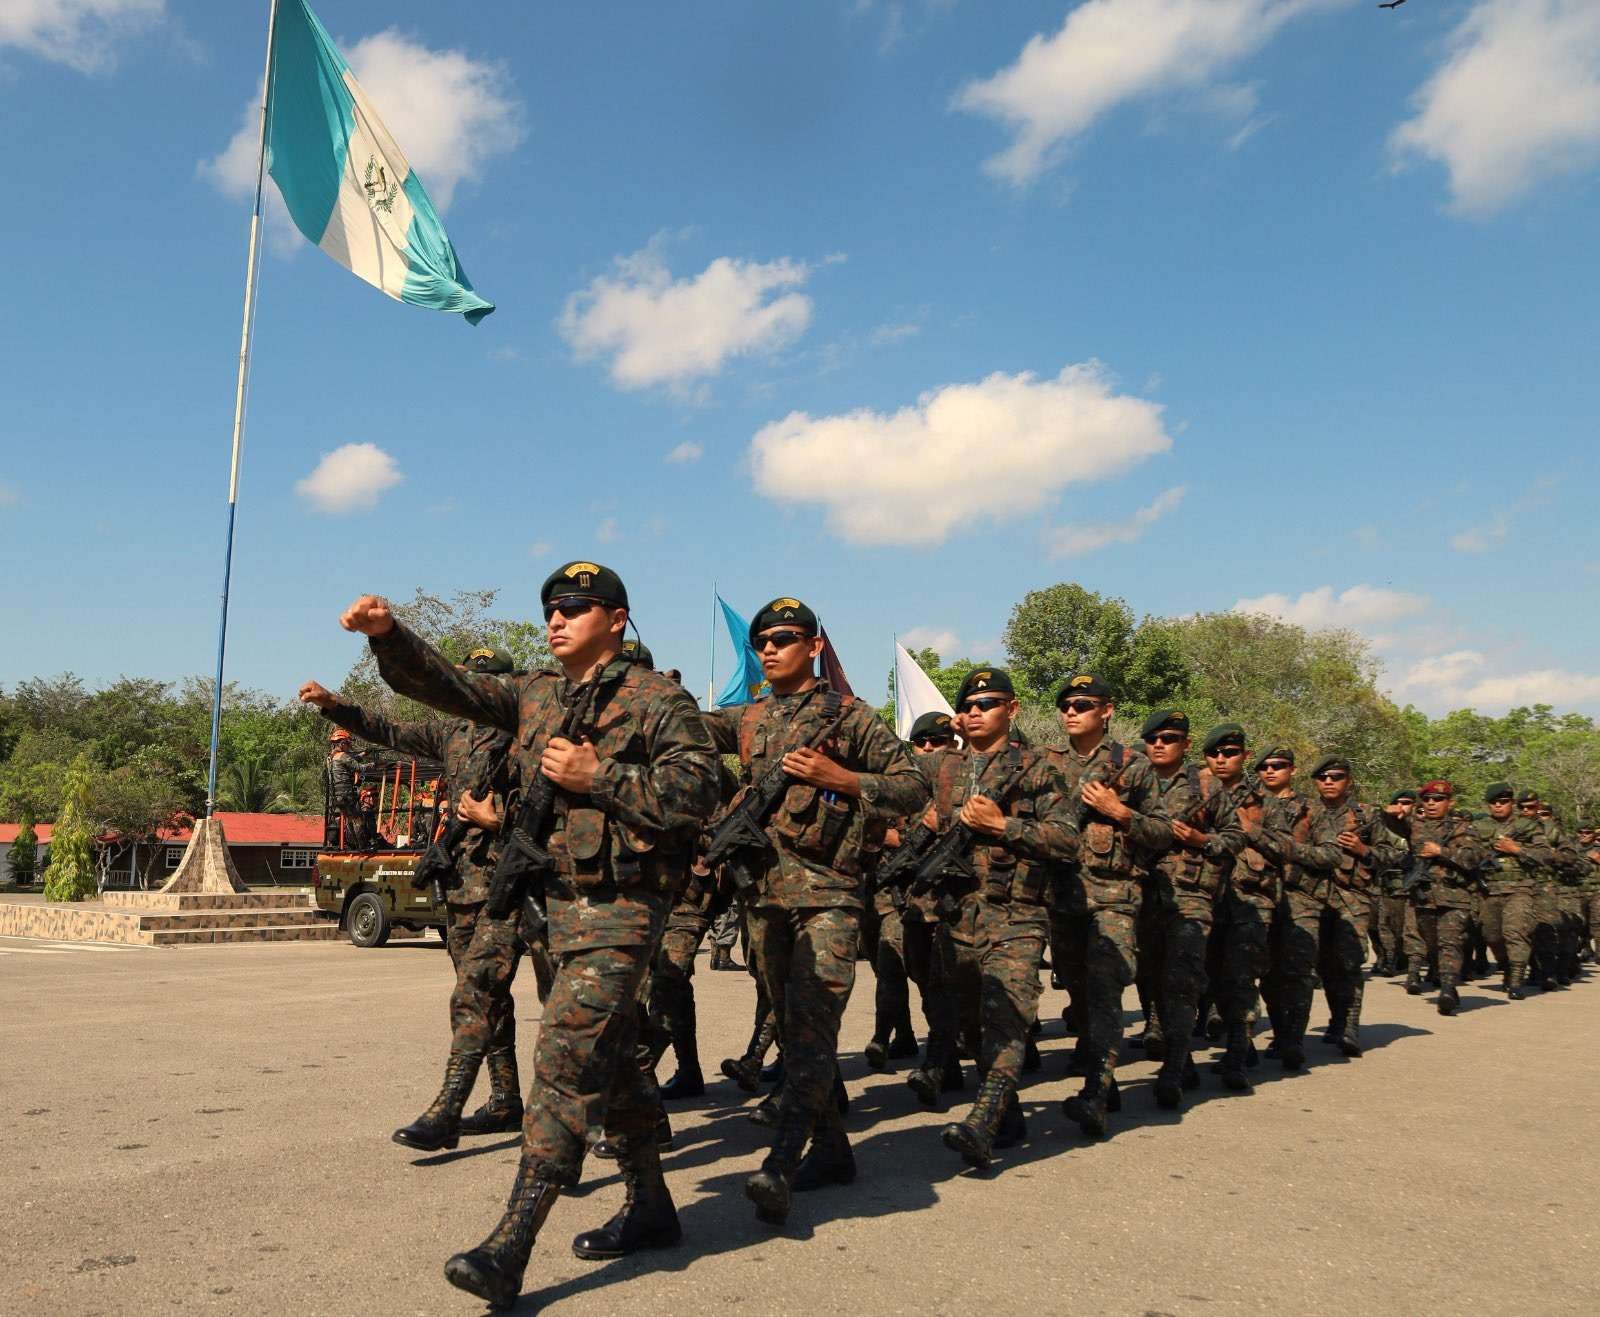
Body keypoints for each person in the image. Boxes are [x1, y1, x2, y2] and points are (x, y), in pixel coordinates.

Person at [338, 562, 720, 1308]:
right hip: (553, 903)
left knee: (563, 1055)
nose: (556, 617)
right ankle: (651, 1204)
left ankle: (510, 1244)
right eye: (550, 607)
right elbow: (448, 687)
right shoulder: (537, 694)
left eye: (575, 606)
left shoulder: (660, 700)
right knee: (609, 1062)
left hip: (623, 908)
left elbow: (696, 794)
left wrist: (597, 773)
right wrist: (390, 637)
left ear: (616, 617)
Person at [704, 596, 928, 1226]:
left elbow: (911, 784)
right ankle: (832, 1150)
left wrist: (847, 778)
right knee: (793, 1021)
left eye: (784, 638)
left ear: (815, 646)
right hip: (765, 898)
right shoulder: (748, 719)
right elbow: (684, 725)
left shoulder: (850, 718)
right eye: (762, 642)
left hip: (829, 896)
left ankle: (781, 1161)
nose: (770, 649)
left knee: (812, 1028)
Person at [300, 649, 526, 1149]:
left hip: (523, 883)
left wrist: (499, 820)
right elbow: (390, 731)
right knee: (484, 993)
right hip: (467, 887)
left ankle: (606, 1105)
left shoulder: (528, 736)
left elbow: (564, 807)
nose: (474, 690)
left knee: (547, 1000)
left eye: (483, 682)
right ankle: (506, 1099)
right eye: (468, 680)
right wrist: (334, 705)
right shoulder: (455, 734)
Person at [921, 668, 1074, 1169]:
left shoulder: (1038, 769)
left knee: (1007, 1017)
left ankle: (982, 1121)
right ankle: (1007, 1113)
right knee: (969, 1026)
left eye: (986, 703)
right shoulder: (942, 770)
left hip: (1017, 914)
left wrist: (1003, 825)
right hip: (957, 915)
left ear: (1012, 709)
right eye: (967, 704)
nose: (974, 711)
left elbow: (1067, 840)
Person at [1046, 673, 1171, 1138]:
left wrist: (1121, 812)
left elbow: (1162, 832)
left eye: (1082, 703)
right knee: (1077, 990)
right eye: (1065, 705)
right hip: (1062, 895)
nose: (1071, 711)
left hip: (1115, 896)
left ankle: (1098, 1088)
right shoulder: (1046, 763)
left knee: (1105, 988)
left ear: (1106, 710)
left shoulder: (1132, 766)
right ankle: (1101, 1068)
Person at [1138, 709, 1244, 1110]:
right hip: (1143, 895)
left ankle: (1173, 1067)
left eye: (1168, 738)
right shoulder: (1134, 781)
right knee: (1150, 979)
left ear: (1184, 743)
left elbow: (1235, 837)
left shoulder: (1206, 786)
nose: (1159, 744)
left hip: (1190, 896)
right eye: (1153, 738)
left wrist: (1203, 840)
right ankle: (1182, 1061)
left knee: (1181, 982)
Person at [867, 711, 956, 1073]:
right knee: (893, 968)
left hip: (947, 900)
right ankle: (889, 1036)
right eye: (921, 742)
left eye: (938, 741)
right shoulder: (899, 784)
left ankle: (946, 1055)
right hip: (896, 895)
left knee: (936, 981)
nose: (929, 748)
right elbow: (869, 824)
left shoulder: (965, 782)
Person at [1296, 756, 1399, 1057]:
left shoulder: (1366, 815)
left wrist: (1364, 850)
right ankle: (1337, 1018)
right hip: (1311, 896)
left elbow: (1395, 855)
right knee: (1323, 964)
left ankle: (1350, 1025)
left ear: (1349, 781)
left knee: (1349, 962)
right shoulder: (1304, 812)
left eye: (1336, 776)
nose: (1329, 781)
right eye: (1322, 777)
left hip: (1351, 896)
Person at [1384, 780, 1489, 1015]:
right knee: (1431, 943)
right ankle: (1444, 980)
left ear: (1450, 803)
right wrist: (1389, 813)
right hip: (1424, 895)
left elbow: (1474, 858)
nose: (1432, 803)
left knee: (1449, 942)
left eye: (1438, 799)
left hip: (1455, 895)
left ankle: (1448, 989)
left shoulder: (1464, 828)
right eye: (1428, 799)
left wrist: (1442, 851)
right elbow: (1394, 824)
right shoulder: (1415, 825)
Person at [1373, 790, 1417, 976]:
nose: (1402, 806)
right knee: (1385, 924)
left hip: (1414, 887)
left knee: (1408, 928)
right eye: (1398, 802)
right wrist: (1382, 813)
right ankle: (1388, 957)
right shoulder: (1383, 825)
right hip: (1389, 884)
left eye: (1407, 802)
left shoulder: (1419, 825)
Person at [323, 729, 369, 849]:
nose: (349, 747)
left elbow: (349, 762)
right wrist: (373, 765)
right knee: (358, 820)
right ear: (342, 743)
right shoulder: (343, 756)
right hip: (348, 794)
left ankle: (354, 845)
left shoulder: (331, 758)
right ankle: (363, 846)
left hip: (337, 797)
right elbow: (358, 767)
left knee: (349, 820)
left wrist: (362, 755)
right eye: (348, 744)